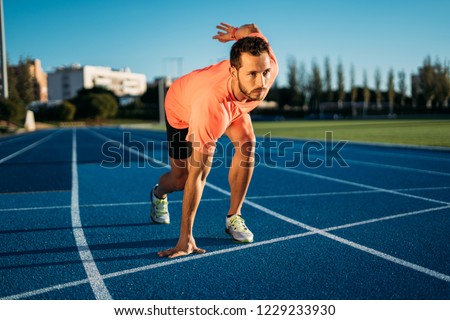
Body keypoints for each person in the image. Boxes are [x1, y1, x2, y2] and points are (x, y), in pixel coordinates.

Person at [151, 22, 278, 258]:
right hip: (181, 106)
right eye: (252, 74)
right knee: (182, 179)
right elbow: (199, 175)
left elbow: (251, 28)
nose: (262, 83)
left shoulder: (266, 60)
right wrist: (185, 239)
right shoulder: (210, 106)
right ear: (234, 71)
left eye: (265, 73)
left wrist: (233, 34)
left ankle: (234, 216)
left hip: (232, 102)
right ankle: (158, 194)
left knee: (247, 143)